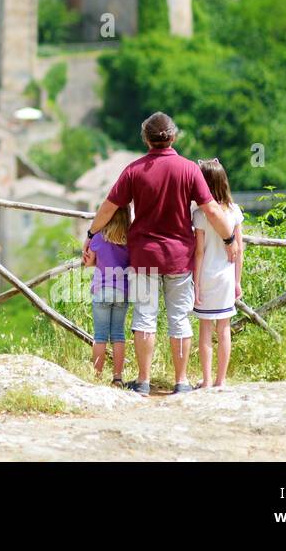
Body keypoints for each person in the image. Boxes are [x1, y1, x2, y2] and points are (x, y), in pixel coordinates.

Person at [83, 112, 240, 396]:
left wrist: (91, 233)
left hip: (144, 258)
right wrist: (230, 238)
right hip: (180, 257)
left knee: (144, 316)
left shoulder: (133, 170)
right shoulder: (189, 170)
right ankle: (181, 382)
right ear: (173, 136)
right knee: (179, 318)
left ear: (146, 138)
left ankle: (142, 380)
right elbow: (212, 210)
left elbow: (108, 208)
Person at [193, 158, 244, 388]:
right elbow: (239, 249)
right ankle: (220, 381)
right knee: (224, 329)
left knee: (205, 328)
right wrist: (238, 282)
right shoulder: (234, 212)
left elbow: (199, 253)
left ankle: (205, 381)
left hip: (206, 276)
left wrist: (195, 282)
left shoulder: (200, 215)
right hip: (226, 276)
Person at [84, 203, 132, 386]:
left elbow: (89, 263)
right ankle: (118, 378)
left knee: (100, 336)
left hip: (102, 291)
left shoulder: (98, 238)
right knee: (118, 335)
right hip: (122, 291)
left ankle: (96, 378)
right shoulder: (130, 239)